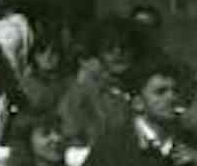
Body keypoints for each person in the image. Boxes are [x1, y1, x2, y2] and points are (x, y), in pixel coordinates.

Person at [58, 17, 140, 147]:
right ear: (97, 53)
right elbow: (71, 137)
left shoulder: (141, 87)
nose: (118, 52)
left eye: (124, 47)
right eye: (109, 48)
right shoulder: (81, 92)